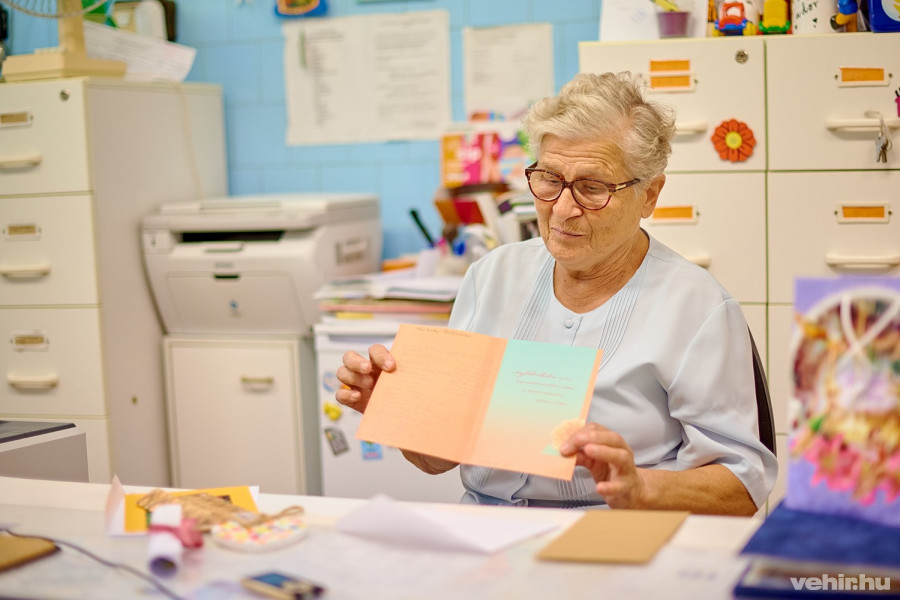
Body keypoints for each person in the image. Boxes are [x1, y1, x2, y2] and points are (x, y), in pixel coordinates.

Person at [335, 72, 777, 515]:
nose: (563, 209)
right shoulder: (491, 277)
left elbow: (743, 485)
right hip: (487, 534)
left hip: (614, 539)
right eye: (548, 179)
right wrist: (397, 412)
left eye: (592, 188)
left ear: (650, 195)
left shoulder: (696, 307)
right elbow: (438, 459)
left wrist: (641, 488)